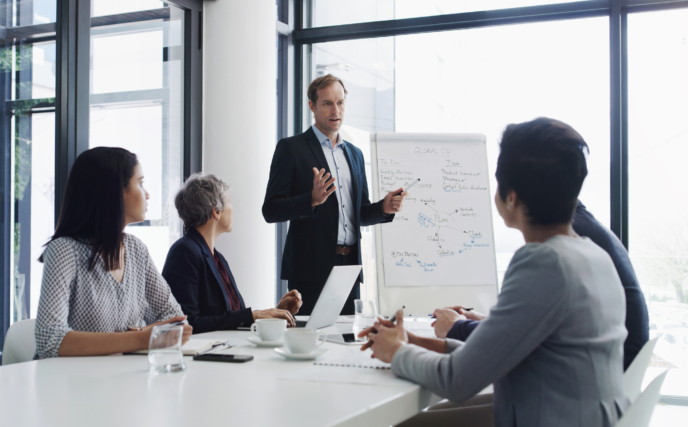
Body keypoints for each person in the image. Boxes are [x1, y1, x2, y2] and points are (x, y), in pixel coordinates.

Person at [359, 118, 629, 427]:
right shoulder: (594, 255)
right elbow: (492, 353)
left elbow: (457, 380)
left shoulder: (544, 264)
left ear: (510, 197)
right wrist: (413, 341)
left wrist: (395, 352)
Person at [434, 200, 649, 370]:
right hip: (606, 383)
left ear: (513, 196)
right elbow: (542, 328)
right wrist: (492, 323)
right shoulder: (584, 233)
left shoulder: (555, 246)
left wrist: (456, 328)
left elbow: (502, 347)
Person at [262, 74, 406, 315]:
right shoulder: (291, 148)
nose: (335, 110)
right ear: (312, 106)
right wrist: (311, 200)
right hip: (310, 270)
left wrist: (383, 208)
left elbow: (359, 212)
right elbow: (271, 210)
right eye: (327, 103)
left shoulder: (355, 154)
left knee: (348, 338)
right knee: (309, 341)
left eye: (340, 103)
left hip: (349, 267)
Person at [34, 147, 192, 359]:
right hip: (69, 385)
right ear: (115, 191)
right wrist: (141, 337)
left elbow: (175, 318)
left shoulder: (136, 250)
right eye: (141, 183)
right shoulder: (65, 250)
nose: (147, 194)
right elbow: (49, 339)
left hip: (121, 379)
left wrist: (145, 334)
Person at [163, 173, 303, 334]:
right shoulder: (184, 252)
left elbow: (232, 317)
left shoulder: (216, 257)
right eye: (229, 202)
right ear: (216, 211)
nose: (233, 210)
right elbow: (187, 323)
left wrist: (275, 313)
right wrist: (255, 316)